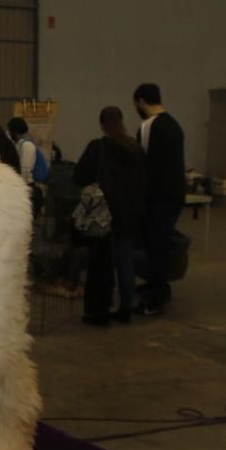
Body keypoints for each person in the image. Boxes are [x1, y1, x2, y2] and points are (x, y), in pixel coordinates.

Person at [74, 107, 147, 325]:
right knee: (125, 261)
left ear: (102, 124)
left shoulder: (98, 147)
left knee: (101, 263)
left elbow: (80, 176)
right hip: (129, 213)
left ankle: (100, 310)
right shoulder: (135, 148)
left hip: (103, 213)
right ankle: (126, 307)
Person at [133, 83, 185, 316]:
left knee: (154, 246)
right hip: (174, 194)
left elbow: (143, 163)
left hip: (156, 196)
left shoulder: (148, 126)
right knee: (161, 243)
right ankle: (158, 285)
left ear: (142, 101)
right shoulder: (174, 124)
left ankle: (156, 297)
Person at [7, 116, 45, 217]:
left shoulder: (27, 145)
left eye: (10, 131)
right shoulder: (20, 144)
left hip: (27, 186)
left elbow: (26, 170)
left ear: (14, 131)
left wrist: (20, 187)